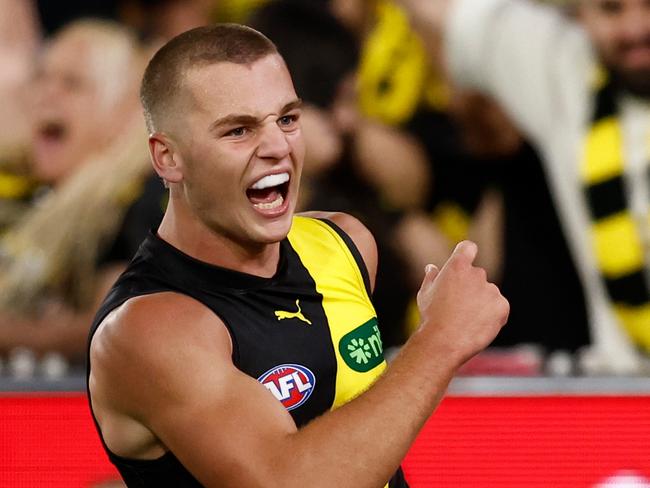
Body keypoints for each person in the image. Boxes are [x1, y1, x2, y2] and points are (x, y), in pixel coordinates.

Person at [86, 24, 508, 487]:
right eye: (239, 130)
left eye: (287, 119)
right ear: (168, 157)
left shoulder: (344, 244)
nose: (277, 147)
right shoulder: (148, 328)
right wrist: (439, 341)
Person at [398, 0, 650, 374]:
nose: (635, 28)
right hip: (621, 393)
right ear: (579, 13)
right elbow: (433, 8)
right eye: (611, 9)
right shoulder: (565, 67)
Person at [0, 19, 164, 368]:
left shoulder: (137, 199)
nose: (47, 93)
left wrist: (11, 333)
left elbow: (111, 322)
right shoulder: (27, 195)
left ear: (123, 112)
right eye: (41, 77)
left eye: (72, 84)